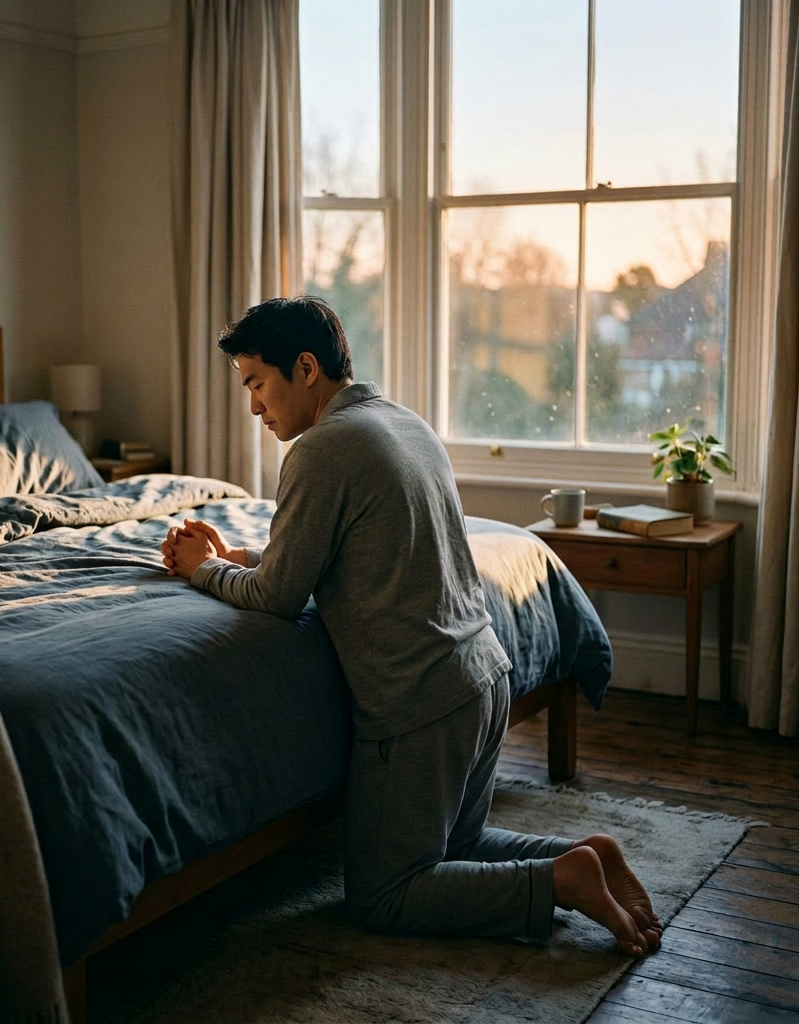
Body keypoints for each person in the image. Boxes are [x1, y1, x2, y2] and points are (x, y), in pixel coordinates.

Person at [161, 295, 661, 955]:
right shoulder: (401, 423)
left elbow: (280, 597)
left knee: (385, 893)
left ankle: (562, 881)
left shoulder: (321, 451)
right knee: (456, 846)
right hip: (484, 677)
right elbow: (327, 557)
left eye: (257, 383)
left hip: (420, 704)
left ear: (305, 368)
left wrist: (201, 570)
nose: (254, 406)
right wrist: (235, 558)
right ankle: (581, 854)